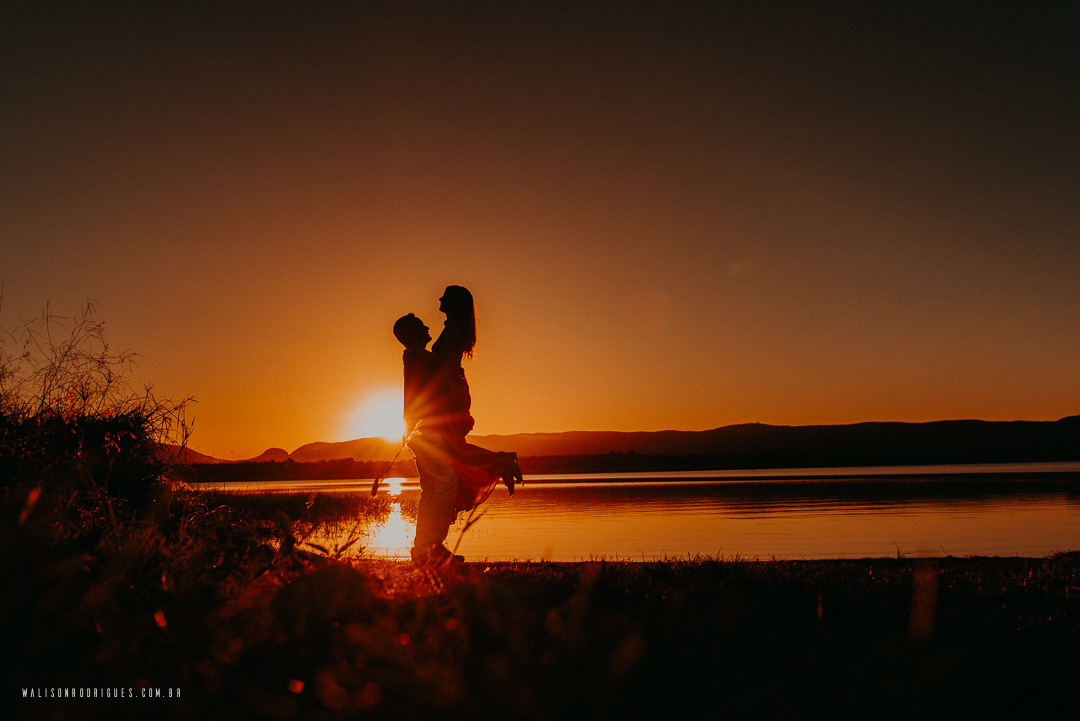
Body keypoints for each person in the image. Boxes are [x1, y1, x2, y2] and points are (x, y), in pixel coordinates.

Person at [393, 310, 520, 568]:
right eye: (420, 325)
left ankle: (423, 548)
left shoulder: (418, 357)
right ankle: (432, 548)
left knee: (432, 488)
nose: (426, 326)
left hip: (420, 431)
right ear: (409, 333)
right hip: (428, 430)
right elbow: (434, 384)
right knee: (445, 485)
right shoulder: (418, 357)